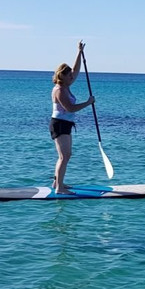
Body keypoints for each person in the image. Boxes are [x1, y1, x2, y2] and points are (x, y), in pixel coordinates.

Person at [50, 42, 95, 193]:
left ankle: (58, 183)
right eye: (69, 76)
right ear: (63, 77)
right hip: (59, 124)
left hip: (65, 124)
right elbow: (70, 108)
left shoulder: (66, 85)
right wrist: (88, 103)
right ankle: (60, 188)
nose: (72, 77)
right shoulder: (60, 91)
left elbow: (75, 70)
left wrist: (79, 52)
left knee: (66, 155)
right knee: (64, 156)